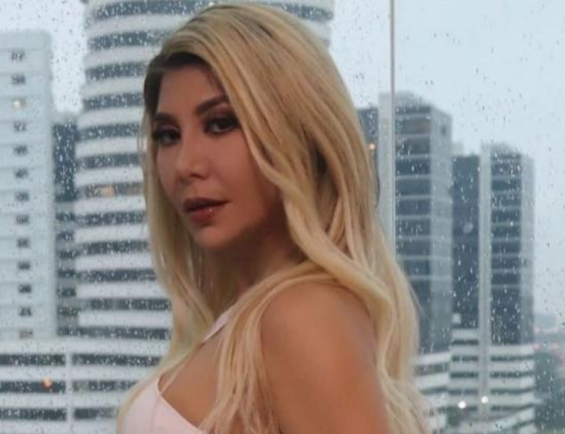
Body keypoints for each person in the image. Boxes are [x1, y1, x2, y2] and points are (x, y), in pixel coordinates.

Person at [117, 3, 429, 434]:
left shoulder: (303, 316)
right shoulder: (254, 317)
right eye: (168, 136)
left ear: (298, 133)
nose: (185, 164)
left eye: (220, 124)